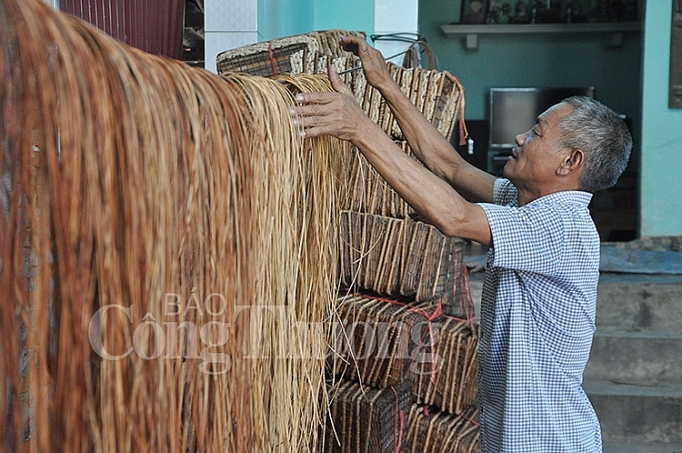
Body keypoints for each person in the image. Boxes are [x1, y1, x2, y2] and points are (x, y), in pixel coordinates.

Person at [290, 37, 632, 452]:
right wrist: (383, 84)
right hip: (513, 434)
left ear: (570, 162)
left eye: (537, 133)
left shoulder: (561, 226)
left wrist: (359, 129)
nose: (521, 137)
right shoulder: (529, 203)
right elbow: (448, 165)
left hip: (547, 441)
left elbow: (454, 217)